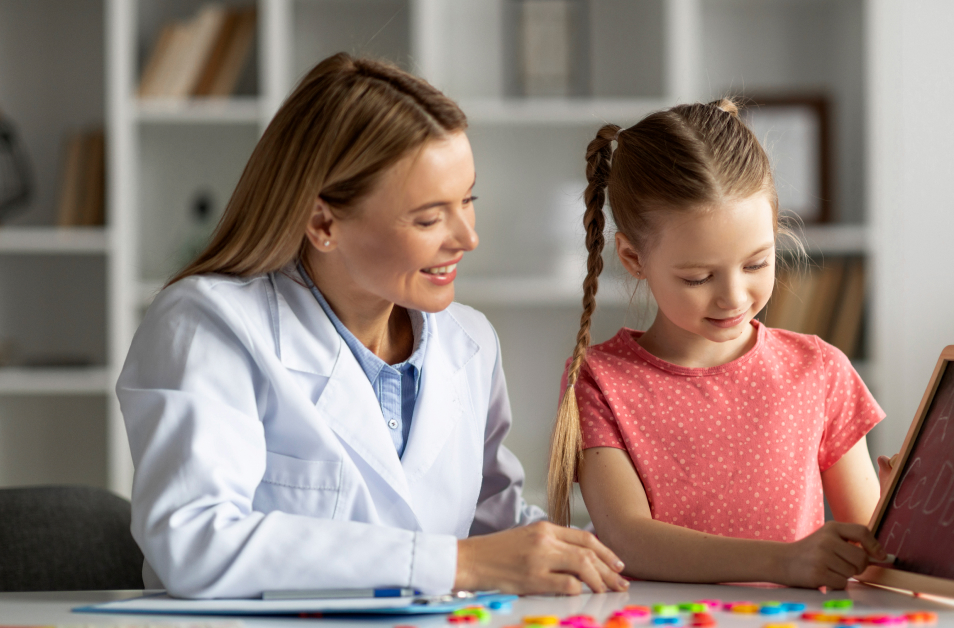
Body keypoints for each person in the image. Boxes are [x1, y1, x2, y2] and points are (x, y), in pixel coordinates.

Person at [117, 53, 627, 599]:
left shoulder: (468, 342)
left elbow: (491, 531)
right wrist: (451, 565)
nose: (466, 237)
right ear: (323, 223)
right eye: (429, 217)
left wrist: (620, 548)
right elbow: (194, 542)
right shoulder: (209, 324)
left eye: (467, 201)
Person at [549, 100, 891, 589]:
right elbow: (628, 539)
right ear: (632, 256)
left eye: (755, 264)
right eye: (698, 277)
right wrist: (784, 562)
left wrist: (908, 507)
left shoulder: (819, 369)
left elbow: (871, 552)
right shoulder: (600, 381)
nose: (733, 297)